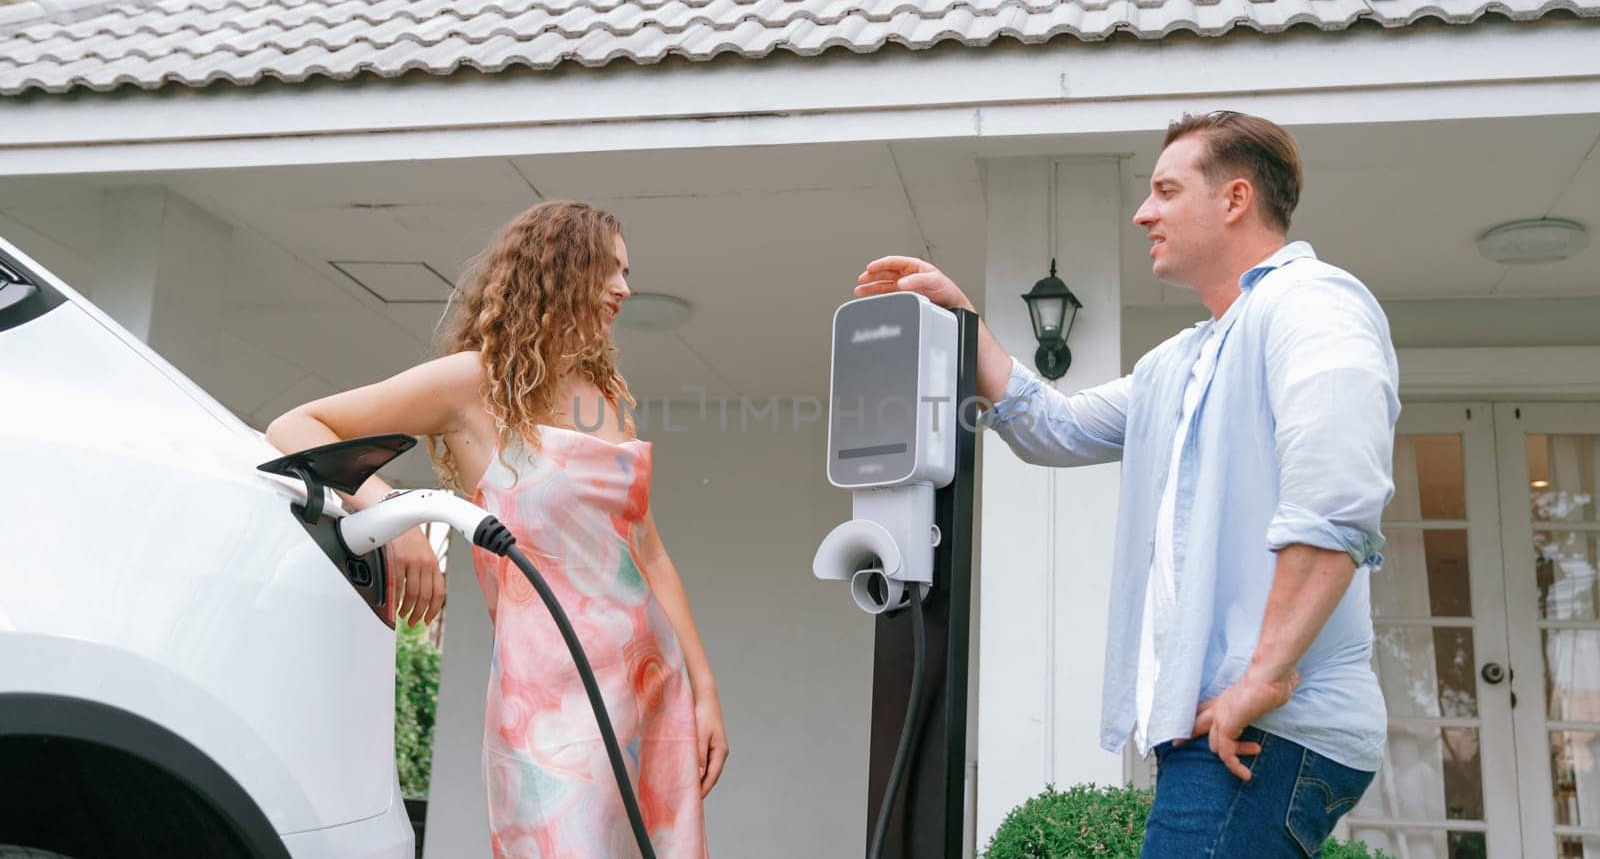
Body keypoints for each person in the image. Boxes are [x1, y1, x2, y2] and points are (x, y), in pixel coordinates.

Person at [855, 111, 1397, 856]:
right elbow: (1059, 427)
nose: (1144, 212)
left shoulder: (1313, 305)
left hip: (1267, 730)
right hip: (1217, 725)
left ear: (1234, 199)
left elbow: (1335, 502)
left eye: (1166, 191)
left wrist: (1261, 679)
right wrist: (964, 318)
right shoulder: (1184, 358)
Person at [266, 199, 725, 858]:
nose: (625, 288)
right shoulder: (473, 383)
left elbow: (647, 552)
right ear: (560, 269)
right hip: (548, 708)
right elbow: (299, 427)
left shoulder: (607, 397)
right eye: (609, 270)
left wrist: (705, 694)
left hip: (653, 688)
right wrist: (395, 514)